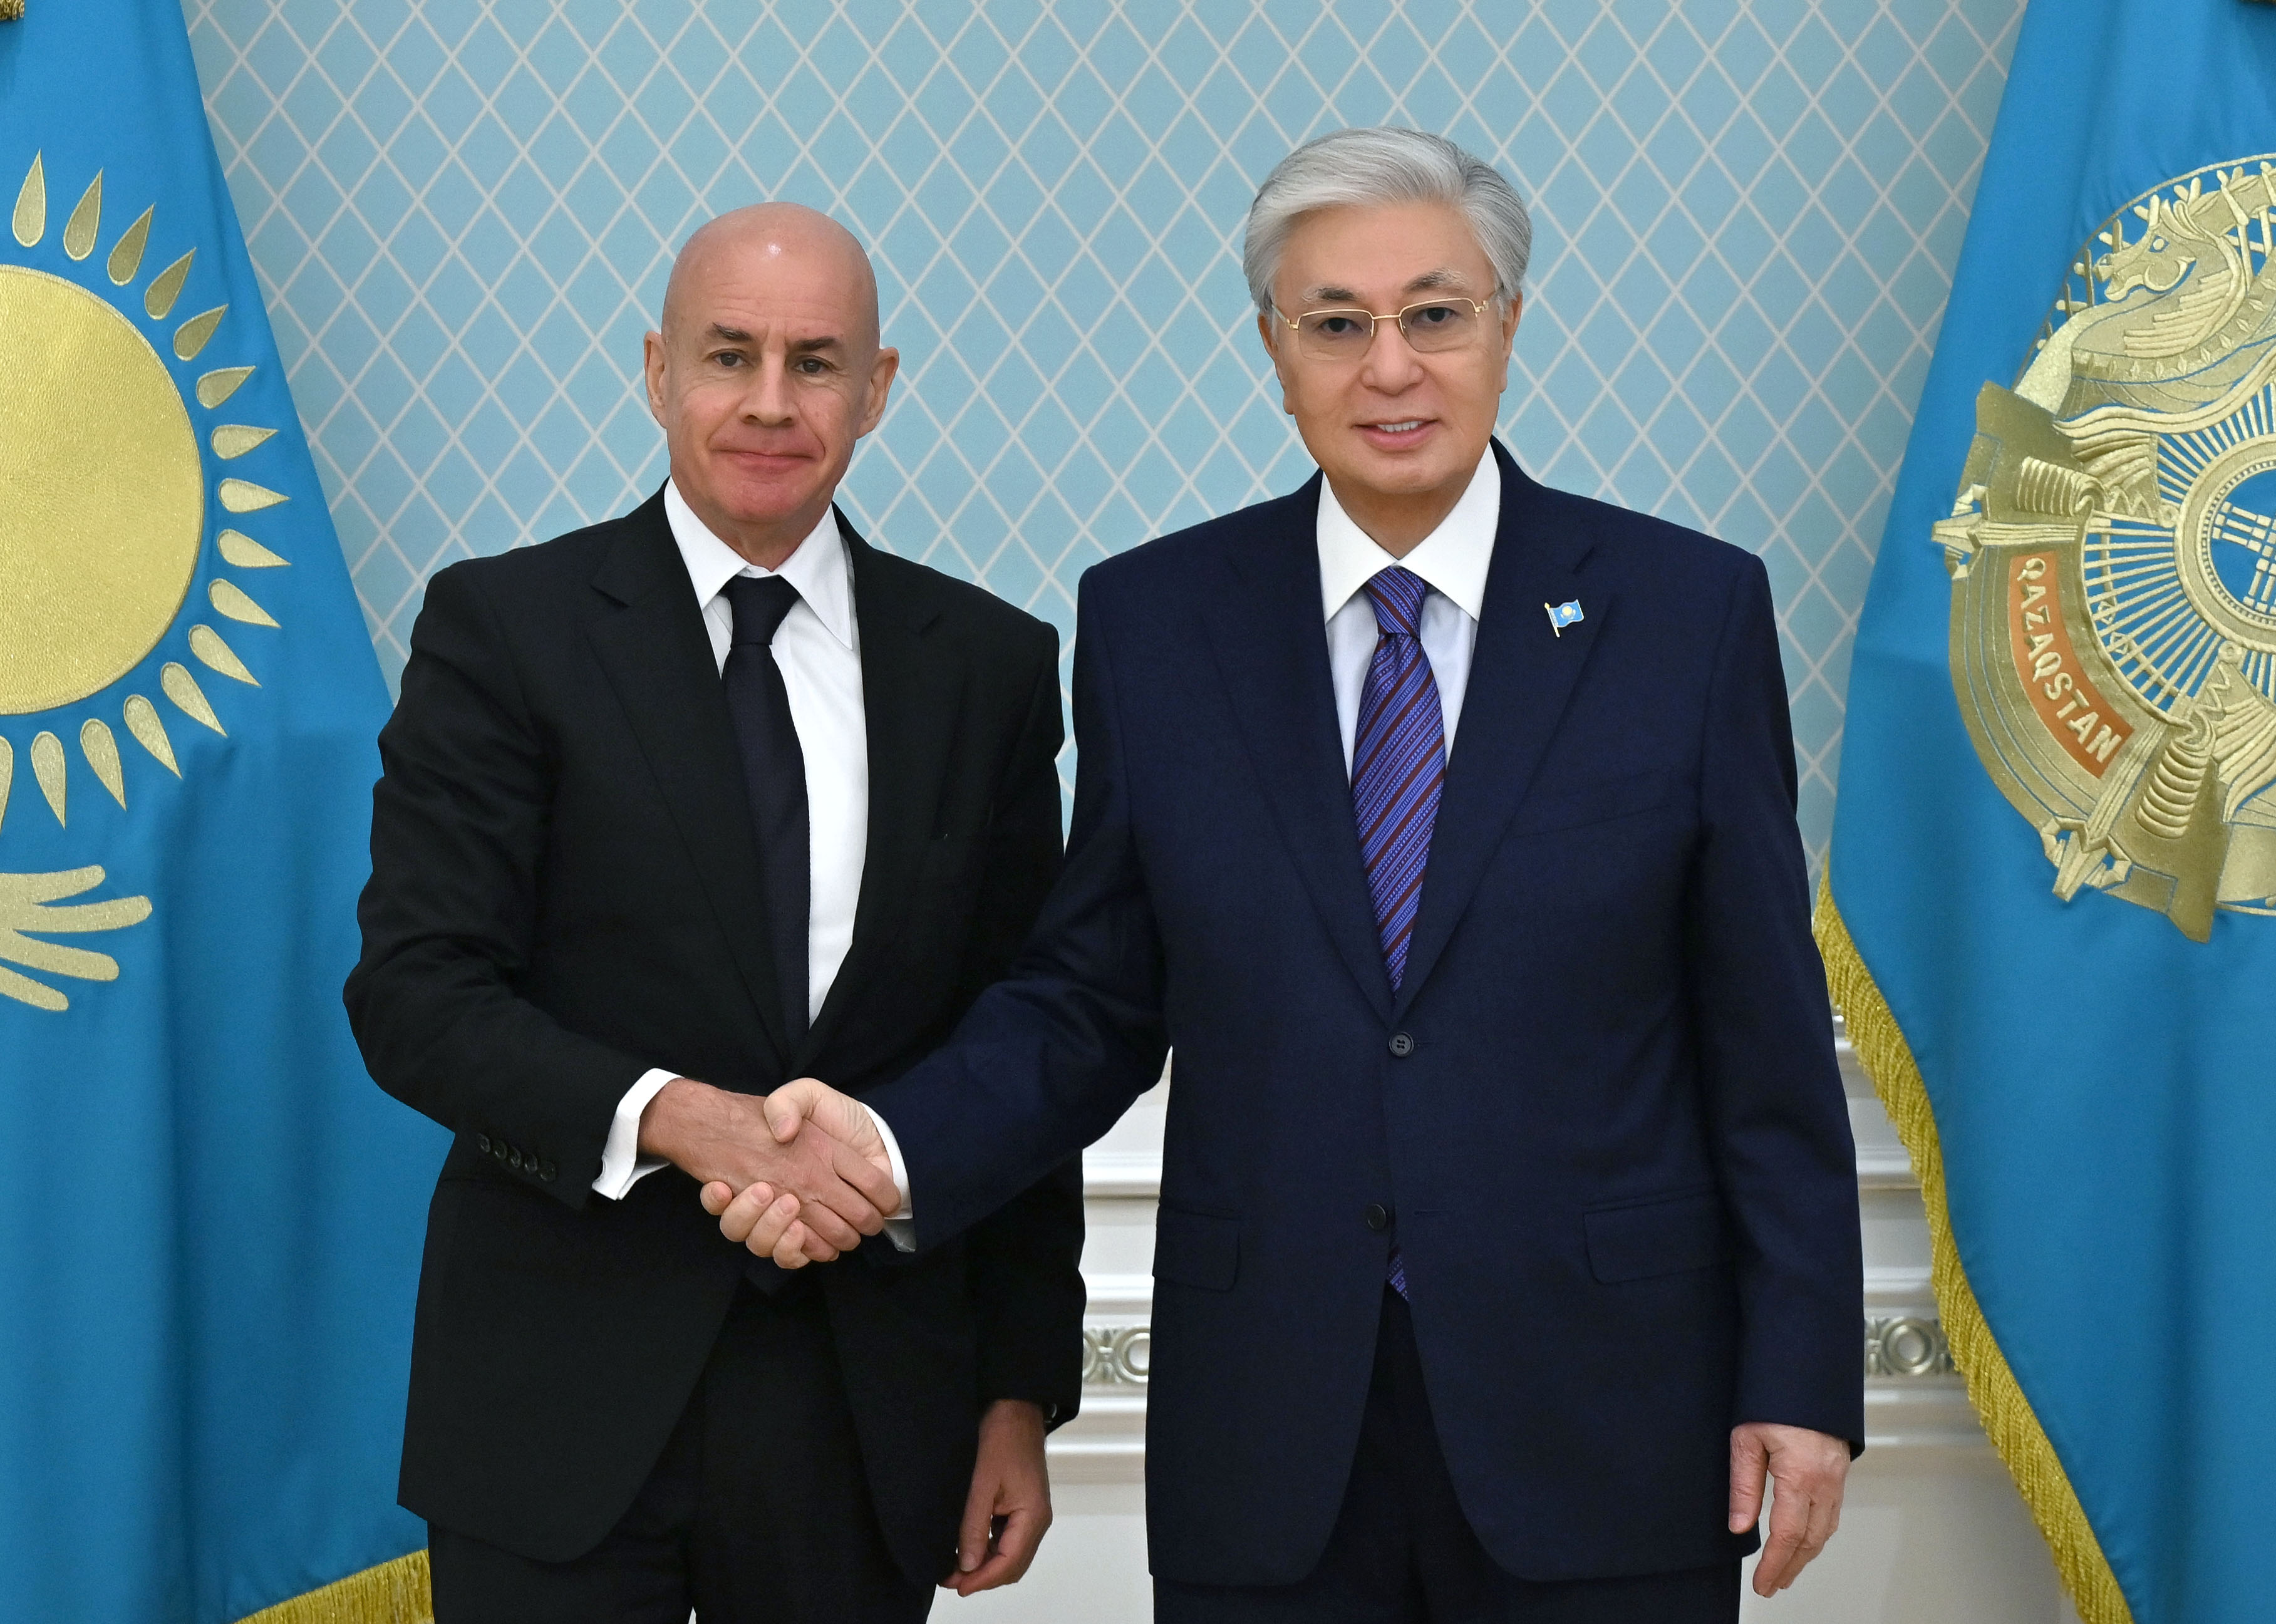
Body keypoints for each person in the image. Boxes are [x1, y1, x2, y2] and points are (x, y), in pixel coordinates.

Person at [732, 130, 1866, 1623]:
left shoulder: (1683, 612)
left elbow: (1760, 1039)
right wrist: (887, 1145)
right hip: (1268, 1432)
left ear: (1507, 327)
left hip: (1604, 1417)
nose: (1388, 366)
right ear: (1274, 352)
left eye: (1433, 314)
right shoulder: (1153, 622)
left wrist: (1800, 1375)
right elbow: (1089, 1001)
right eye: (1335, 323)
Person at [344, 203, 1084, 1623]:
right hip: (555, 1397)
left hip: (867, 1405)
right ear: (656, 371)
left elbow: (1019, 1045)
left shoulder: (987, 666)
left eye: (816, 362)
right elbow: (417, 993)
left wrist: (1016, 1389)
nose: (769, 402)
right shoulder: (505, 629)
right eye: (728, 354)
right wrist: (687, 1120)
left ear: (876, 387)